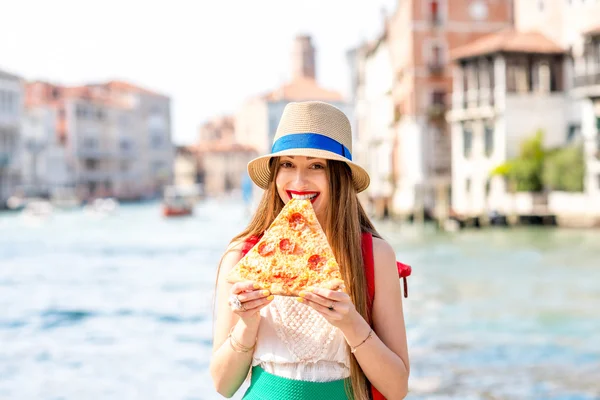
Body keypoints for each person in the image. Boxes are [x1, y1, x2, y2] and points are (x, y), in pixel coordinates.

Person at [210, 101, 409, 400]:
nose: (299, 182)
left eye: (317, 166)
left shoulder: (374, 255)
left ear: (340, 176)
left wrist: (351, 323)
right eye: (288, 164)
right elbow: (223, 386)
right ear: (275, 173)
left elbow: (397, 390)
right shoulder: (243, 255)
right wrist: (247, 325)